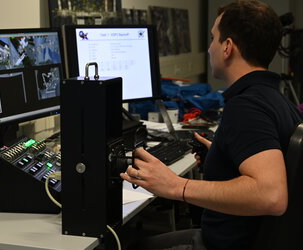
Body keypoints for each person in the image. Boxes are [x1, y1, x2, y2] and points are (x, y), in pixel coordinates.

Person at [121, 1, 303, 250]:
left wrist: (177, 186)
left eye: (213, 39)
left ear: (227, 47)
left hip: (224, 244)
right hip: (240, 238)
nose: (209, 49)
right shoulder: (275, 98)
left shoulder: (247, 107)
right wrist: (222, 155)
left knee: (122, 244)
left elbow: (271, 195)